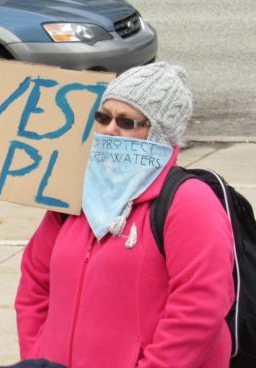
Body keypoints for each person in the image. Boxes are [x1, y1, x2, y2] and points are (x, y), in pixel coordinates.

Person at [15, 62, 235, 367]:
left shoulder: (189, 200)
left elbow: (200, 308)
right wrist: (38, 354)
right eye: (102, 117)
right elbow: (35, 283)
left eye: (126, 122)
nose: (109, 130)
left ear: (158, 132)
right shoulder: (76, 197)